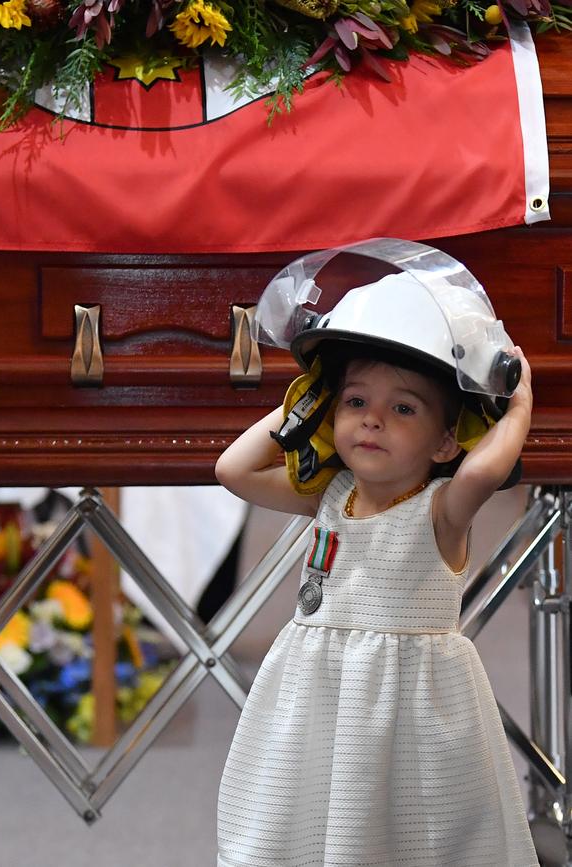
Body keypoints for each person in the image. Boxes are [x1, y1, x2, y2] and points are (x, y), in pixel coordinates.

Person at [214, 250, 539, 867]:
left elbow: (490, 468)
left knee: (409, 831)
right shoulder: (329, 497)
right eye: (356, 403)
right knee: (312, 822)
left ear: (447, 441)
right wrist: (306, 398)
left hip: (408, 709)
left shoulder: (442, 510)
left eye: (404, 408)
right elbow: (233, 469)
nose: (373, 421)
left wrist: (517, 409)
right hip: (323, 694)